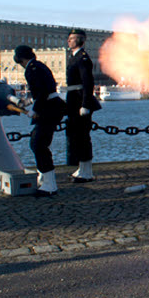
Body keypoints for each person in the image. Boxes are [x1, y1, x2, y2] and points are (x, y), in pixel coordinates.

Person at [14, 45, 66, 197]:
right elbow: (42, 91)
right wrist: (31, 104)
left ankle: (50, 185)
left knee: (38, 144)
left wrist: (35, 110)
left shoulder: (31, 69)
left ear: (18, 59)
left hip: (48, 109)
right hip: (52, 107)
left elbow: (42, 92)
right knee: (38, 143)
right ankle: (45, 179)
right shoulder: (39, 65)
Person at [65, 29, 102, 183]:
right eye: (69, 38)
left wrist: (85, 104)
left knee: (83, 137)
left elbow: (88, 83)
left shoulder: (83, 58)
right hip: (74, 100)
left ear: (81, 40)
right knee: (76, 136)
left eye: (72, 39)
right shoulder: (73, 57)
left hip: (80, 100)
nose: (69, 41)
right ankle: (82, 168)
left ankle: (87, 172)